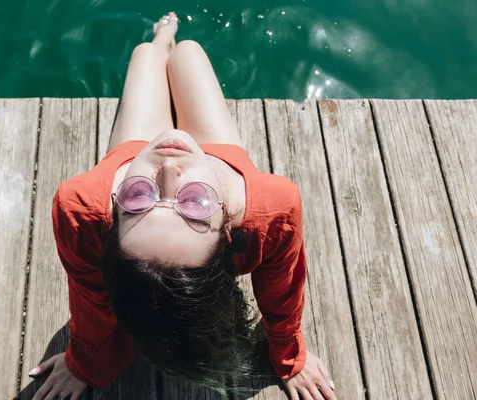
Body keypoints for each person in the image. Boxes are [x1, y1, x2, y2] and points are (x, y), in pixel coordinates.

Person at [28, 12, 336, 400]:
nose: (169, 171)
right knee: (189, 54)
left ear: (113, 214)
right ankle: (171, 40)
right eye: (195, 203)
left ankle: (161, 39)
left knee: (146, 55)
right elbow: (283, 287)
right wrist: (289, 354)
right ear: (227, 227)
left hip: (135, 149)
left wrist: (85, 361)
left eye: (138, 198)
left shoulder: (83, 204)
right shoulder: (271, 207)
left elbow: (90, 295)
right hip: (216, 157)